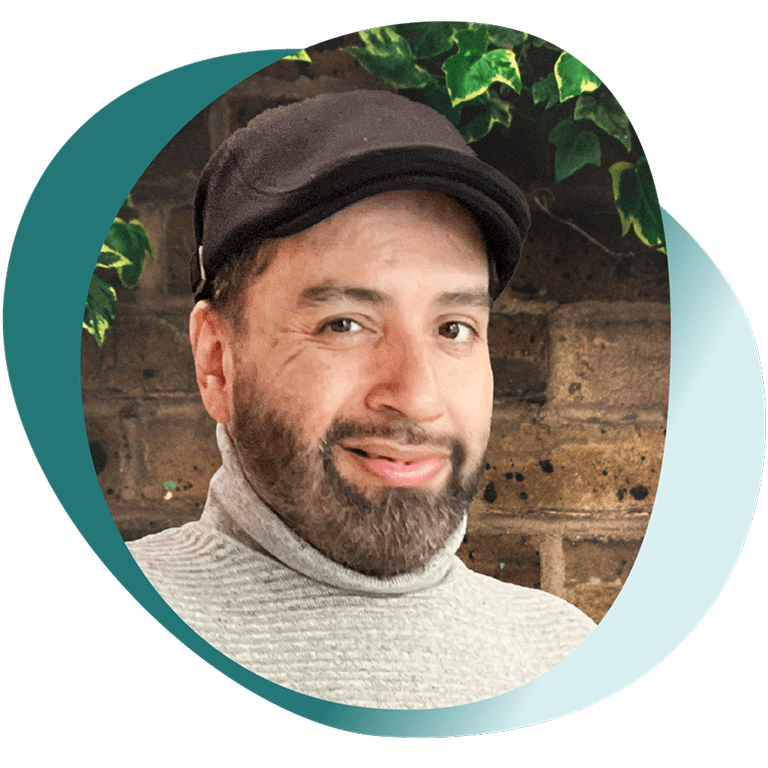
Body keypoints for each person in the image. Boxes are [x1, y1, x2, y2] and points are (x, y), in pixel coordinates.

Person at [127, 89, 595, 709]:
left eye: (453, 328)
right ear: (216, 360)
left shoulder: (567, 657)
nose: (417, 397)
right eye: (344, 324)